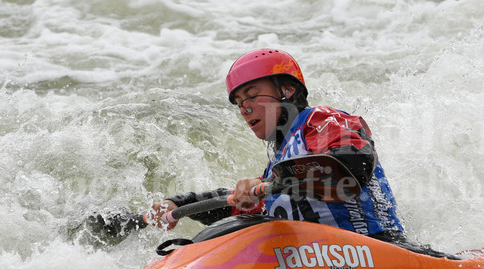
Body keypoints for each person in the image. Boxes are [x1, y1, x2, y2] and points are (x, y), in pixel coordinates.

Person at [150, 49, 409, 244]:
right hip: (324, 262)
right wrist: (179, 203)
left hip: (379, 248)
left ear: (287, 91)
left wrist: (267, 184)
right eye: (239, 103)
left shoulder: (322, 120)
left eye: (252, 95)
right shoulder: (279, 163)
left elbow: (352, 164)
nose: (246, 108)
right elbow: (240, 206)